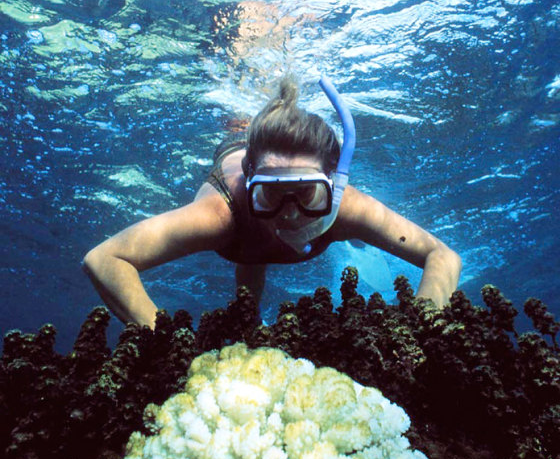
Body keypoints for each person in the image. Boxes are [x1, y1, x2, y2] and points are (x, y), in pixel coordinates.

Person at [82, 76, 461, 328]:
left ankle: (249, 321)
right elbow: (103, 259)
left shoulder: (346, 207)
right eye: (272, 193)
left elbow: (442, 256)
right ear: (250, 180)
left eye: (307, 193)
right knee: (250, 246)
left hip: (252, 221)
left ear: (333, 182)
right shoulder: (221, 213)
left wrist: (417, 333)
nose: (291, 213)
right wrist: (166, 346)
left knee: (253, 254)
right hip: (236, 150)